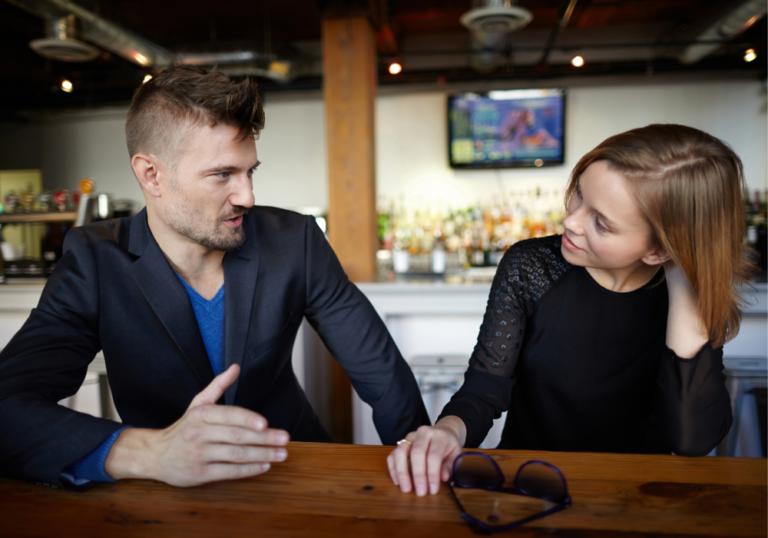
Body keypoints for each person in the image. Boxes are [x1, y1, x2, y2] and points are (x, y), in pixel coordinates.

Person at [0, 65, 429, 490]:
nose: (247, 196)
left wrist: (420, 455)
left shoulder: (293, 240)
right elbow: (7, 407)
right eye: (222, 174)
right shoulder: (95, 261)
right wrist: (149, 453)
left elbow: (381, 372)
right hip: (161, 490)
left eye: (250, 172)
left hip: (292, 467)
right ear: (152, 174)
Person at [388, 124, 754, 497]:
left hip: (638, 494)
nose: (570, 221)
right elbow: (485, 388)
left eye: (601, 223)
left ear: (658, 250)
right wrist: (447, 431)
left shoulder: (687, 298)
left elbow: (692, 439)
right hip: (528, 486)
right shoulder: (530, 266)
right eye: (579, 193)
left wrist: (683, 282)